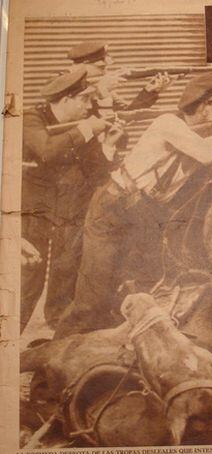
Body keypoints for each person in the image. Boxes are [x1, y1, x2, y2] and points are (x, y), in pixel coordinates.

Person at [55, 72, 212, 338]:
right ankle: (52, 365)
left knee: (146, 291)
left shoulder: (205, 136)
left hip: (146, 214)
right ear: (205, 106)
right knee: (91, 300)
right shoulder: (167, 123)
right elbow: (208, 154)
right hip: (114, 208)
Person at [21, 66, 124, 332]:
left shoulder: (83, 124)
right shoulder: (31, 118)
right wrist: (85, 130)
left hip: (67, 210)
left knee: (66, 274)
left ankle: (59, 335)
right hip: (32, 211)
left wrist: (109, 145)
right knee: (28, 280)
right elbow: (46, 151)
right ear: (67, 99)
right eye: (85, 100)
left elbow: (95, 172)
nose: (89, 106)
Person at [67, 39, 171, 116]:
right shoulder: (63, 89)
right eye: (101, 67)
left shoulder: (97, 85)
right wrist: (103, 93)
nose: (105, 72)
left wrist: (150, 91)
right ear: (85, 64)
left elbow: (126, 114)